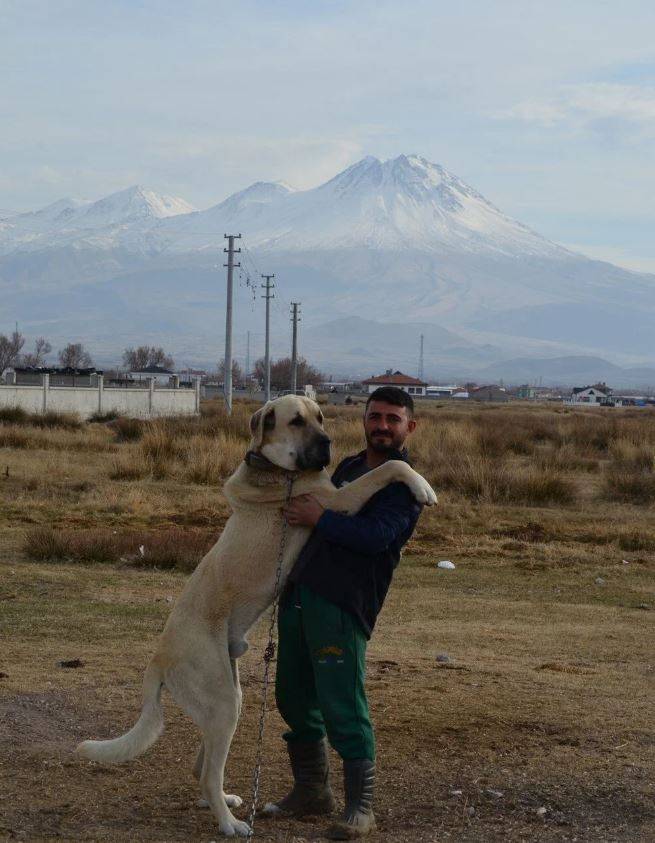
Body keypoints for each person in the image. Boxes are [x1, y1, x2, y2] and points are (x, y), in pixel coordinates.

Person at [263, 386, 425, 839]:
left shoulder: (404, 486)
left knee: (342, 703)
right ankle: (312, 791)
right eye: (376, 417)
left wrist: (320, 519)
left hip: (341, 604)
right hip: (301, 595)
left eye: (393, 419)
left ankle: (361, 808)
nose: (382, 426)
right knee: (292, 696)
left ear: (409, 427)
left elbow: (375, 538)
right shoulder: (352, 467)